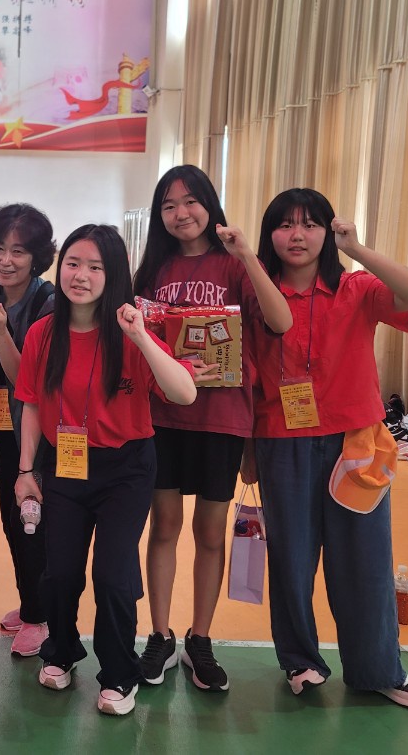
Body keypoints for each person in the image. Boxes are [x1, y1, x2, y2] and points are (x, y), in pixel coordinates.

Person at [245, 188, 408, 708]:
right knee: (291, 558)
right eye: (285, 224)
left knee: (365, 560)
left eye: (310, 224)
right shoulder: (258, 294)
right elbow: (246, 376)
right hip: (282, 440)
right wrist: (247, 450)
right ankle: (300, 661)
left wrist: (357, 248)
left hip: (356, 442)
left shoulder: (356, 287)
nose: (297, 235)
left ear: (327, 233)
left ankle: (378, 670)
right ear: (269, 234)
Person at [14, 224, 196, 716]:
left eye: (96, 267)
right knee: (59, 572)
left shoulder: (133, 332)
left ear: (113, 275)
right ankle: (61, 650)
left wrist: (140, 336)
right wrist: (26, 469)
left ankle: (119, 673)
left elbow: (185, 393)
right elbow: (30, 403)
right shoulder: (42, 333)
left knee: (114, 575)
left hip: (125, 469)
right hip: (65, 466)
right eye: (73, 263)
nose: (81, 275)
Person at [131, 165, 292, 691]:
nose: (181, 213)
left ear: (209, 204)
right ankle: (160, 635)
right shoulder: (152, 270)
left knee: (209, 531)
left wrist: (247, 255)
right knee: (164, 527)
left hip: (221, 419)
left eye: (190, 201)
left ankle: (200, 639)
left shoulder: (234, 264)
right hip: (162, 417)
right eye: (168, 205)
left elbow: (280, 321)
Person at [0, 203, 56, 657]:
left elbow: (28, 380)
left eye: (19, 251)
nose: (6, 260)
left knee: (33, 518)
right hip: (5, 424)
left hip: (39, 428)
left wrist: (1, 332)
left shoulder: (47, 302)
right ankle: (31, 604)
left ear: (37, 257)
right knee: (14, 517)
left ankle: (41, 617)